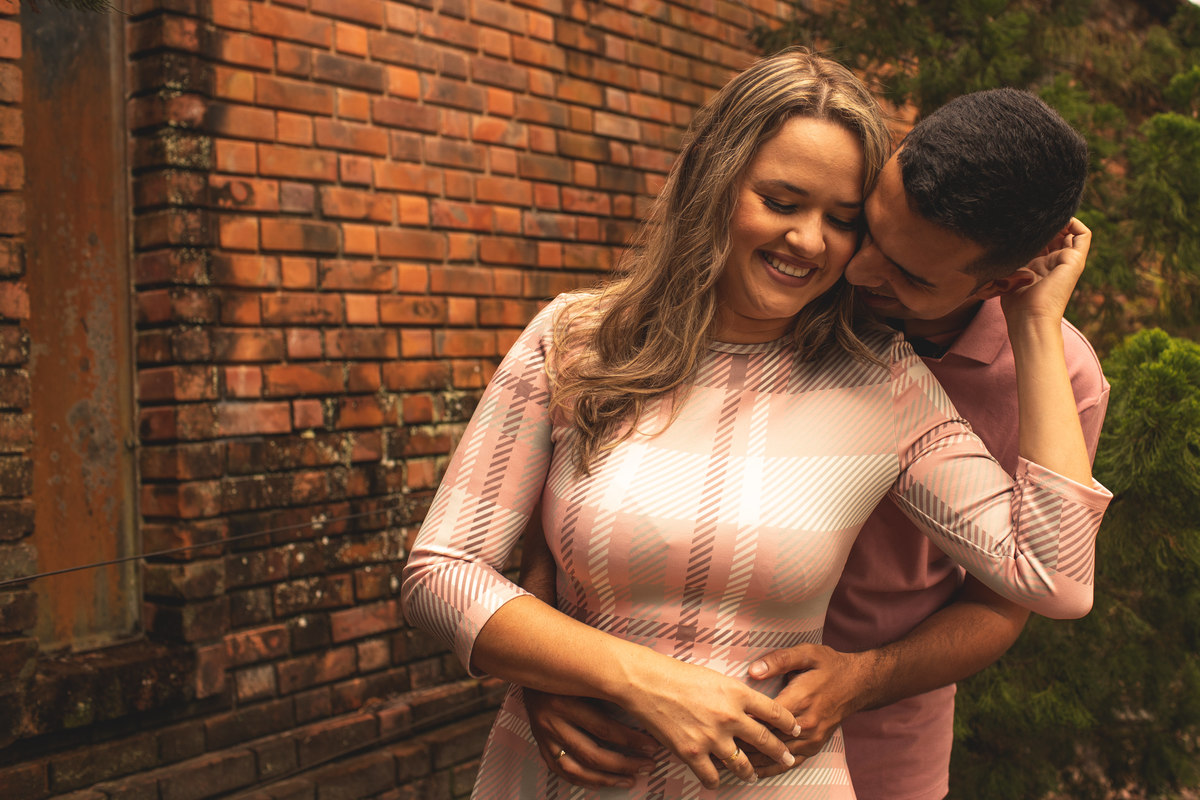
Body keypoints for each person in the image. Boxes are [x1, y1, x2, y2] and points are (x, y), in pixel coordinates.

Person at [401, 47, 1111, 799]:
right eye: (782, 203)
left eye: (841, 220)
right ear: (718, 182)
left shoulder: (888, 380)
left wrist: (1033, 321)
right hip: (565, 769)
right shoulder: (576, 337)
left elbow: (1051, 581)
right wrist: (599, 670)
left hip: (811, 761)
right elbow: (441, 571)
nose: (827, 249)